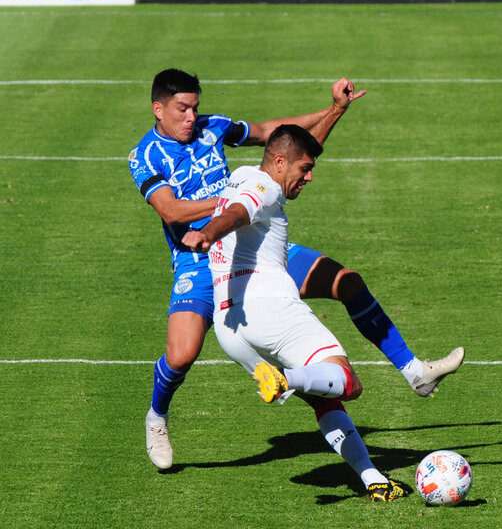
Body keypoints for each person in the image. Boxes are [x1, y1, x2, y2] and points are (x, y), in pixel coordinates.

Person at [128, 69, 464, 470]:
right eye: (182, 109)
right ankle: (157, 417)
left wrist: (334, 109)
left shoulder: (211, 128)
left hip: (257, 243)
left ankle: (415, 372)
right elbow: (171, 210)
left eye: (195, 107)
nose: (191, 116)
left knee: (348, 283)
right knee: (181, 355)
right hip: (199, 258)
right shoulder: (144, 155)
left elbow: (276, 137)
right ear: (158, 109)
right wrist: (238, 196)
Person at [181, 125, 407, 501]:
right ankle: (285, 378)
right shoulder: (265, 188)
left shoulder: (240, 176)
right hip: (268, 309)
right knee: (347, 381)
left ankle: (373, 479)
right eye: (305, 168)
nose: (310, 176)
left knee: (322, 394)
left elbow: (245, 197)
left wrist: (335, 112)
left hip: (230, 329)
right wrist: (209, 231)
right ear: (280, 162)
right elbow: (238, 214)